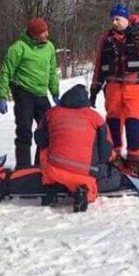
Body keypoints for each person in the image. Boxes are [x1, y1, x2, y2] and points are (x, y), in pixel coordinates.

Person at [90, 2, 139, 163]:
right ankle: (114, 155)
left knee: (134, 120)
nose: (114, 22)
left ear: (126, 19)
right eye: (112, 20)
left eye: (117, 19)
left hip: (134, 84)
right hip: (112, 85)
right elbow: (99, 63)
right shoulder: (106, 38)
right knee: (113, 121)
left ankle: (135, 157)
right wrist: (95, 86)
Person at [35, 83, 113, 212]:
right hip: (84, 173)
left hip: (54, 170)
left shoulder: (51, 113)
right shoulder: (96, 118)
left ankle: (50, 188)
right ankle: (84, 193)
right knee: (89, 185)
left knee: (44, 150)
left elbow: (39, 139)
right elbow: (106, 150)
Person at [0, 17, 60, 168]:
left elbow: (52, 71)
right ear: (34, 35)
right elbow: (6, 71)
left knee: (49, 129)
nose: (46, 34)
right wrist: (2, 96)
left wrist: (55, 92)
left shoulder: (49, 47)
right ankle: (23, 167)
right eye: (43, 32)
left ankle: (41, 164)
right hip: (24, 93)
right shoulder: (18, 48)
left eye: (46, 30)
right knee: (24, 130)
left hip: (41, 93)